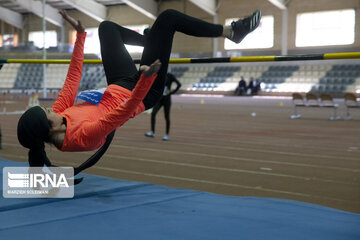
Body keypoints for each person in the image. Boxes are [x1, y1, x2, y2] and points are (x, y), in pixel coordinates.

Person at [17, 9, 261, 170]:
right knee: (168, 18)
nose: (51, 107)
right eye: (47, 111)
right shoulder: (82, 136)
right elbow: (123, 112)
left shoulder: (58, 117)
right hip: (142, 93)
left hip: (119, 83)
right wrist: (146, 79)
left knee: (106, 28)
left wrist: (80, 36)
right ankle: (233, 32)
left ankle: (152, 39)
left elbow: (72, 80)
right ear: (53, 127)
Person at [145, 72, 181, 141]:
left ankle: (166, 134)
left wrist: (171, 92)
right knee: (153, 113)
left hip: (167, 99)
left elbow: (179, 84)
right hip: (159, 99)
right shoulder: (158, 75)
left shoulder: (170, 76)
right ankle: (152, 132)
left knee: (166, 117)